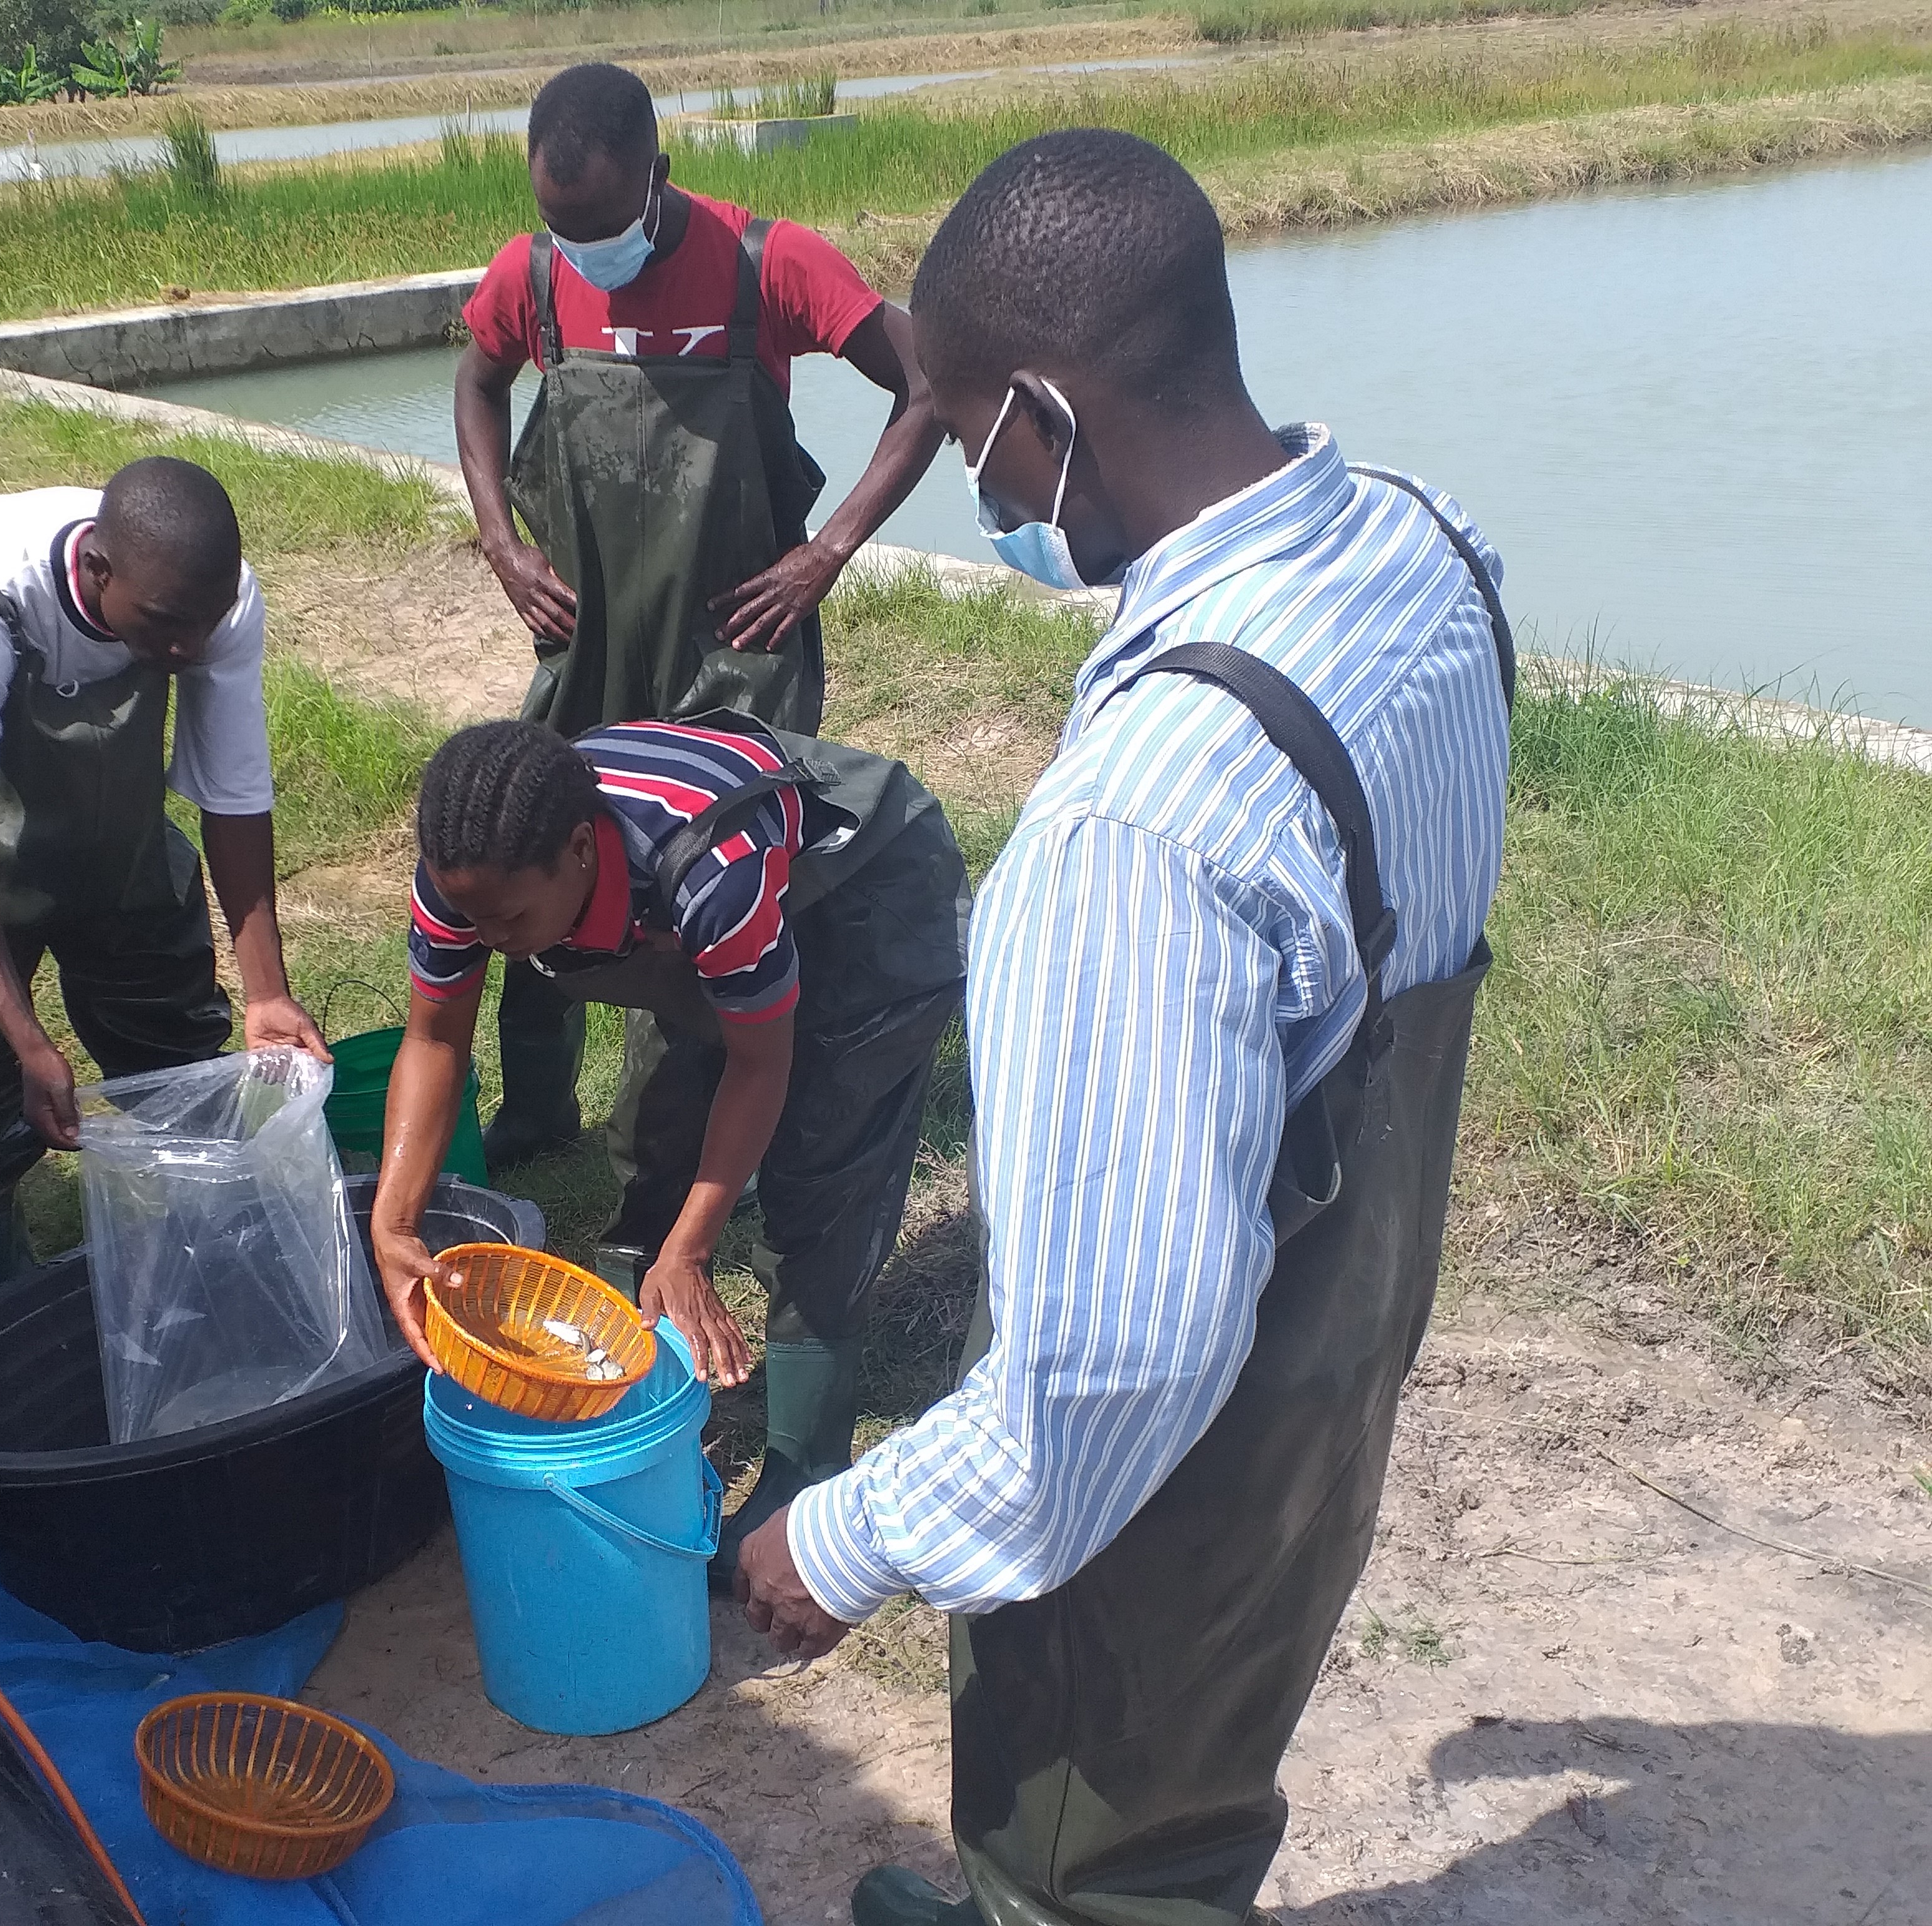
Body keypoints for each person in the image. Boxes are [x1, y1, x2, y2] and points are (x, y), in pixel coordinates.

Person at [731, 131, 1516, 1926]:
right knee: (1223, 1729)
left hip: (1185, 1459)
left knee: (1105, 1833)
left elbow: (1112, 1373)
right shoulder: (1418, 544)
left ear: (1043, 415)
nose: (968, 480)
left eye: (959, 431)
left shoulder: (1133, 837)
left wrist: (834, 1541)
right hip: (1344, 1342)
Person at [454, 60, 944, 1171]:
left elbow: (928, 386)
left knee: (698, 882)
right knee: (532, 844)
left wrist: (825, 552)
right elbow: (477, 383)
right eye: (559, 224)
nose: (585, 249)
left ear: (658, 175)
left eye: (604, 226)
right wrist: (502, 539)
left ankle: (685, 1141)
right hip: (588, 630)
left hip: (737, 643)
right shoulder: (530, 276)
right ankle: (537, 1109)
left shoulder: (768, 263)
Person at [368, 714, 968, 1573]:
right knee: (659, 1131)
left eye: (507, 919)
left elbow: (763, 1063)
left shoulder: (709, 876)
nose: (486, 937)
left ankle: (805, 1467)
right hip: (709, 913)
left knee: (822, 1155)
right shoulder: (470, 870)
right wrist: (394, 1223)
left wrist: (692, 1248)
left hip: (869, 892)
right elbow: (433, 1040)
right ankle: (625, 1394)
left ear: (580, 851)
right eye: (470, 915)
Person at [0, 456, 327, 1290]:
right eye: (165, 627)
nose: (186, 649)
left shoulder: (205, 601)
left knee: (169, 1023)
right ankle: (6, 1285)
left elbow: (233, 797)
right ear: (96, 571)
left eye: (204, 627)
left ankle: (201, 1268)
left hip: (115, 821)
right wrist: (29, 1041)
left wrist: (267, 991)